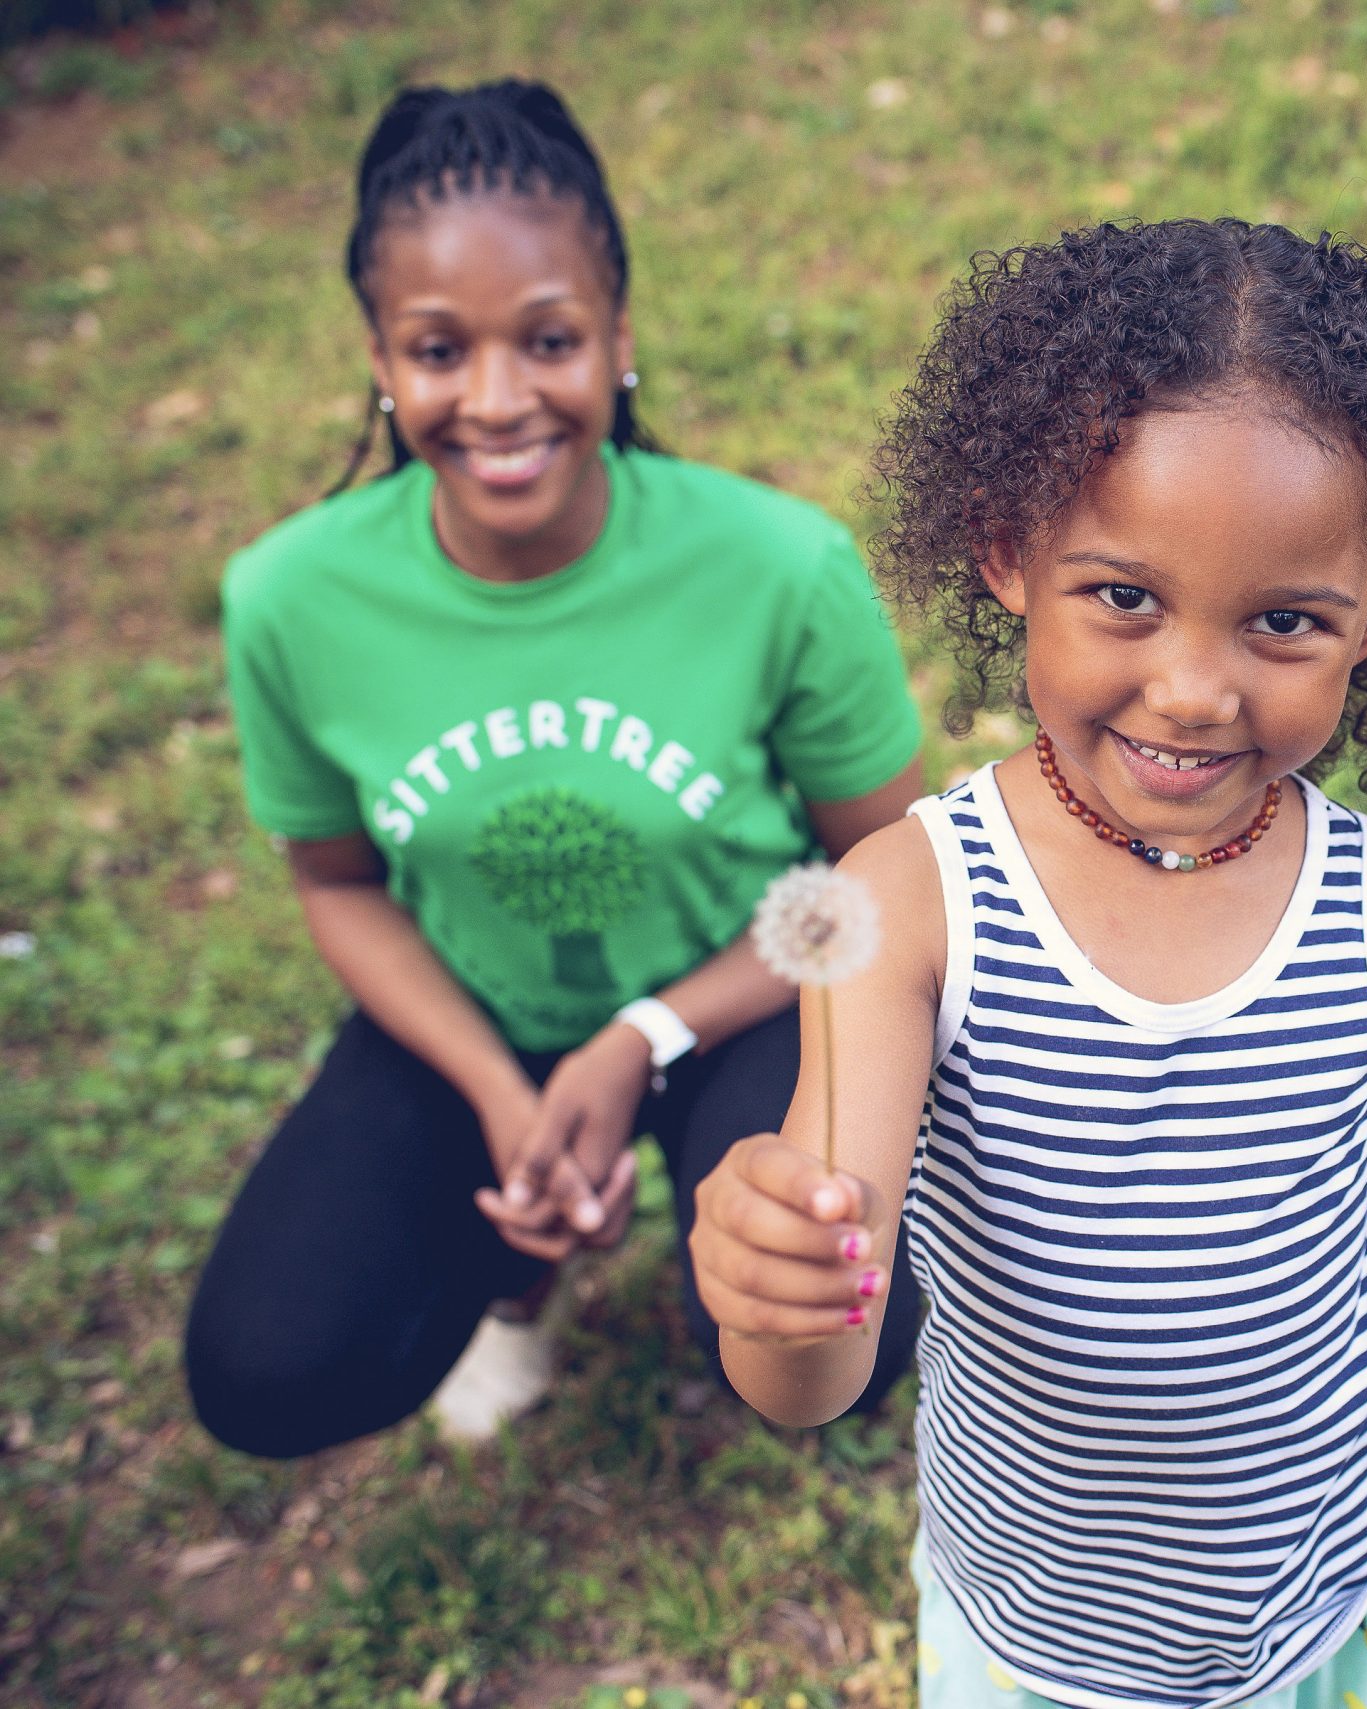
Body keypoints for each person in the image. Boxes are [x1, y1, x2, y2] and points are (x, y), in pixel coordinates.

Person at [690, 219, 1367, 1709]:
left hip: (1339, 1601)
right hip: (1048, 1652)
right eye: (1123, 595)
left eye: (1283, 622)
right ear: (1005, 552)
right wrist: (779, 1299)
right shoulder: (909, 905)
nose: (1193, 687)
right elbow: (821, 1372)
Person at [184, 79, 924, 1458]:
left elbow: (885, 882)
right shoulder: (289, 596)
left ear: (618, 339)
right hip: (483, 1010)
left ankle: (721, 1174)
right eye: (438, 349)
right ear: (382, 360)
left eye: (549, 339)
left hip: (743, 992)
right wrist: (503, 1092)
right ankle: (516, 1258)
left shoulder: (777, 566)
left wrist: (641, 1039)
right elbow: (339, 883)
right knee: (270, 1369)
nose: (498, 399)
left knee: (833, 1327)